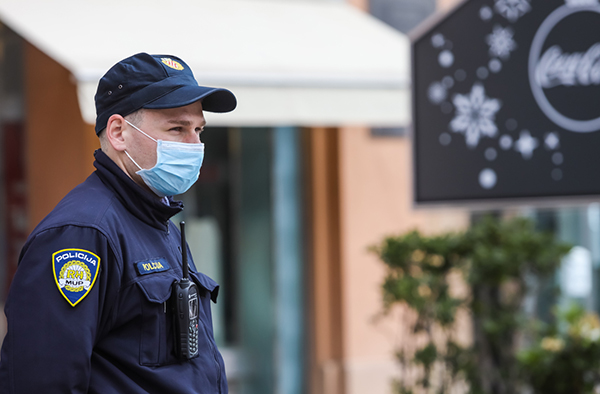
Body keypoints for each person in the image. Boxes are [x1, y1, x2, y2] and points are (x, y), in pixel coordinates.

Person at [0, 52, 236, 393]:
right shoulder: (81, 235)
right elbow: (42, 381)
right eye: (177, 128)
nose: (194, 146)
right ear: (118, 132)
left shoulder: (158, 222)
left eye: (198, 130)